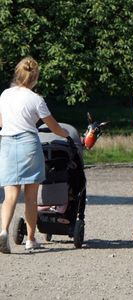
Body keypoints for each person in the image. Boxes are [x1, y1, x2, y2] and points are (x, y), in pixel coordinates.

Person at [0, 57, 70, 254]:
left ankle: (3, 231)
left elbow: (2, 122)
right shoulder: (35, 99)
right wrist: (68, 135)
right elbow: (54, 127)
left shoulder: (5, 95)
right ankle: (31, 239)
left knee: (10, 196)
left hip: (7, 143)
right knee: (31, 197)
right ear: (35, 77)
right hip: (28, 145)